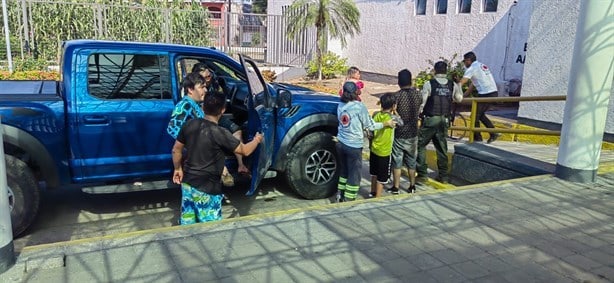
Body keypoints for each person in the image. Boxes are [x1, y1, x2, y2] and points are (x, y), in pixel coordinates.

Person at [171, 92, 263, 225]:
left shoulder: (189, 125)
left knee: (188, 226)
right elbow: (245, 151)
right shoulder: (220, 133)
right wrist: (256, 140)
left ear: (203, 108)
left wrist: (177, 168)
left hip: (188, 184)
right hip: (207, 187)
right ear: (223, 110)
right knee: (211, 229)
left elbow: (176, 149)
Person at [336, 81, 395, 202]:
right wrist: (386, 123)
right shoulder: (358, 106)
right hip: (353, 145)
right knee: (354, 173)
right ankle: (349, 198)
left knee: (344, 171)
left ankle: (339, 194)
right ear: (355, 92)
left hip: (341, 142)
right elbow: (370, 125)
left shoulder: (340, 104)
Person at [189, 64, 251, 178]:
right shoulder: (192, 94)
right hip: (205, 117)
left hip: (216, 116)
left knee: (237, 130)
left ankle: (241, 165)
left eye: (210, 75)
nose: (209, 78)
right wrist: (257, 140)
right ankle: (223, 170)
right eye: (206, 77)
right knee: (213, 138)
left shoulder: (213, 85)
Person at [416, 61, 463, 184]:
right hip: (444, 120)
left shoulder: (429, 84)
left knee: (421, 145)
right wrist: (459, 84)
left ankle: (422, 174)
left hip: (431, 119)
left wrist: (417, 115)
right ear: (446, 71)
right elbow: (459, 99)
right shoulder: (452, 84)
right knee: (442, 148)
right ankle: (443, 176)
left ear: (435, 70)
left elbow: (422, 103)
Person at [389, 69, 422, 194]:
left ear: (399, 81)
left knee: (397, 160)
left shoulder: (396, 96)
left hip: (399, 133)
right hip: (413, 132)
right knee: (411, 161)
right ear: (411, 80)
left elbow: (393, 111)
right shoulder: (418, 95)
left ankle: (396, 187)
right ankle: (412, 185)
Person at [458, 51, 500, 143]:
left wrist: (455, 91)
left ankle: (478, 138)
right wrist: (464, 95)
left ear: (469, 60)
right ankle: (493, 133)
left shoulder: (472, 68)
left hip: (486, 94)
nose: (465, 64)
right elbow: (473, 85)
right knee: (479, 115)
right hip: (492, 93)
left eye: (465, 61)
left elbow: (462, 82)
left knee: (475, 116)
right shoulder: (481, 66)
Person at [368, 93, 397, 198]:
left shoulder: (376, 115)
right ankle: (378, 196)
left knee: (374, 173)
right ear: (393, 105)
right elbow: (402, 123)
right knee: (382, 177)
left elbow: (371, 130)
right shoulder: (392, 118)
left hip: (374, 148)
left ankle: (372, 191)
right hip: (385, 151)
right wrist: (395, 111)